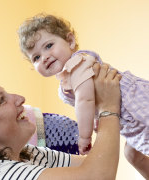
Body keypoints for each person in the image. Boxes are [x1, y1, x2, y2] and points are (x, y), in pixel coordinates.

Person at [18, 13, 149, 179]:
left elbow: (85, 99)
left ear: (70, 41)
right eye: (36, 57)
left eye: (49, 45)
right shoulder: (64, 86)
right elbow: (94, 102)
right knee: (134, 150)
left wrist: (84, 137)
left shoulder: (78, 62)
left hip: (137, 103)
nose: (44, 57)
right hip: (128, 118)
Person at [0, 63, 121, 179]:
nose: (20, 99)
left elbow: (96, 164)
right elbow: (97, 176)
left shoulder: (28, 154)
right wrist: (109, 110)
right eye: (2, 100)